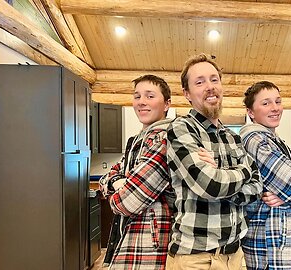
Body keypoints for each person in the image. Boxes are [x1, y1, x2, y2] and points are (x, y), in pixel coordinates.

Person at [165, 53, 263, 270]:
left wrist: (221, 175)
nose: (209, 86)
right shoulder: (181, 128)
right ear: (187, 94)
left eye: (214, 79)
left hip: (235, 256)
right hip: (195, 259)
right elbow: (211, 185)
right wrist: (244, 169)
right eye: (199, 82)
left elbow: (257, 188)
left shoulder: (232, 136)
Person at [99, 74, 175, 270]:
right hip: (129, 238)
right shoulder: (136, 141)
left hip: (151, 244)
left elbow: (127, 202)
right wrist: (116, 181)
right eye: (137, 96)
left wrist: (116, 191)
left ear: (166, 104)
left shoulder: (165, 139)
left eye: (150, 96)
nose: (141, 102)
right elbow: (108, 176)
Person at [239, 81, 291, 270]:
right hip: (271, 249)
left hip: (283, 245)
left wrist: (290, 195)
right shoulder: (256, 140)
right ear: (251, 112)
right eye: (266, 103)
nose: (275, 108)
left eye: (278, 101)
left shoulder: (276, 141)